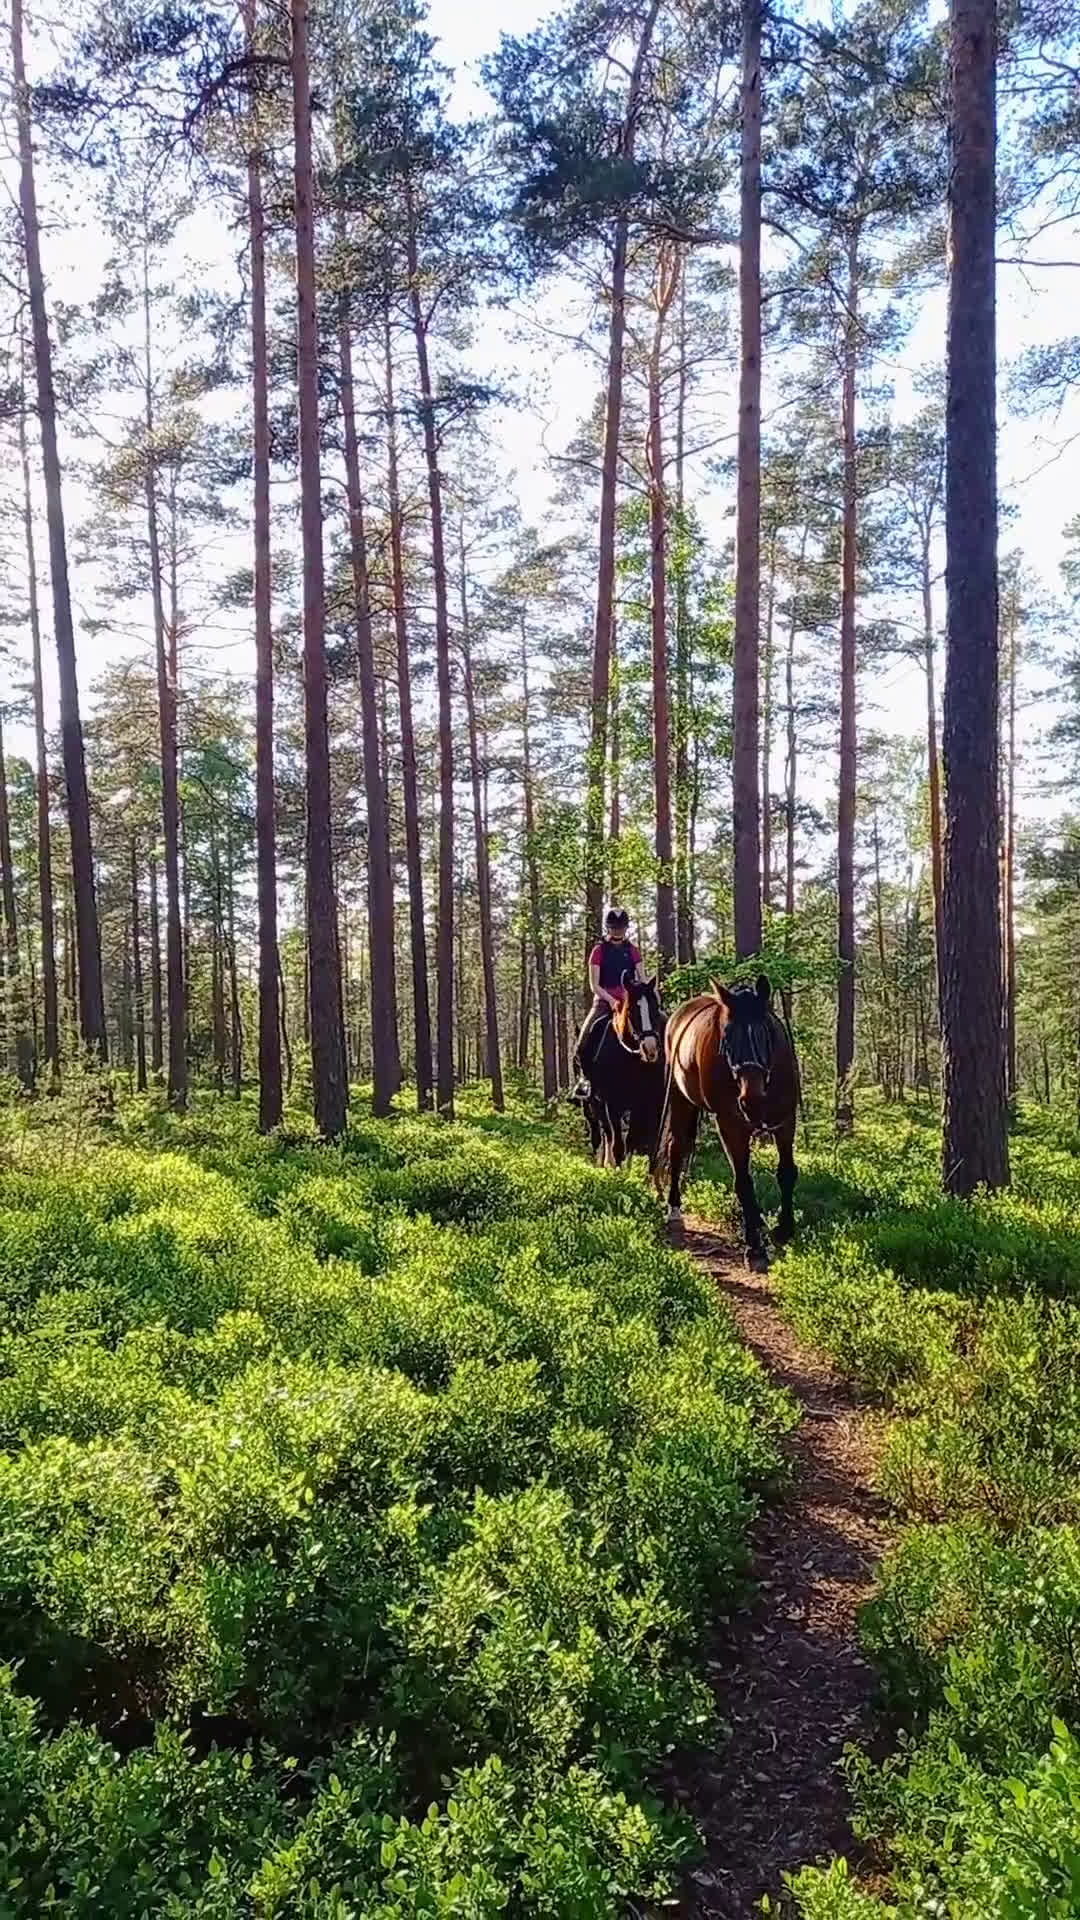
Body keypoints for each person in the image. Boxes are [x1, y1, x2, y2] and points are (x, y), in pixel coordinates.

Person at [571, 907, 645, 1099]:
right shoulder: (598, 951)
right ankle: (583, 1080)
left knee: (656, 1025)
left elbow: (642, 978)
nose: (618, 931)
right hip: (604, 1002)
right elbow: (594, 984)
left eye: (620, 928)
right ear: (608, 928)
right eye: (614, 928)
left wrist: (644, 995)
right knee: (584, 1037)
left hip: (629, 1001)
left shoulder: (633, 951)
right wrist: (612, 1000)